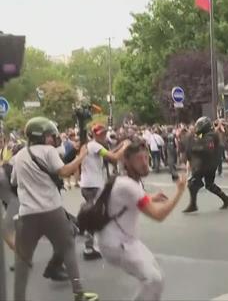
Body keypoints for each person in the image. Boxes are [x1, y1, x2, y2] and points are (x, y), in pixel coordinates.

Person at [12, 117, 98, 301]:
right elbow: (65, 171)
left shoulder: (19, 156)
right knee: (67, 248)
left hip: (27, 213)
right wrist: (82, 155)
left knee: (22, 260)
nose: (53, 138)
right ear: (41, 136)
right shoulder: (49, 151)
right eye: (50, 135)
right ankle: (79, 292)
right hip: (52, 210)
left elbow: (13, 182)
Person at [97, 141, 187, 301]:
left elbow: (132, 200)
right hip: (116, 245)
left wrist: (151, 197)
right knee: (154, 280)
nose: (145, 163)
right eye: (139, 159)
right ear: (126, 161)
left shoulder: (130, 182)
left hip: (128, 241)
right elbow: (158, 215)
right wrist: (179, 191)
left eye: (146, 158)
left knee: (156, 276)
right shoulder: (128, 186)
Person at [80, 123, 131, 261]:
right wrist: (125, 146)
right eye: (100, 134)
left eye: (103, 133)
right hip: (94, 186)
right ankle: (104, 245)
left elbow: (110, 152)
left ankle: (91, 246)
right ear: (94, 135)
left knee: (96, 214)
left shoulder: (91, 146)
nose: (103, 136)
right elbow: (113, 158)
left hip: (88, 185)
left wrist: (120, 146)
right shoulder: (94, 146)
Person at [183, 117, 228, 213]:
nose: (198, 128)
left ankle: (193, 205)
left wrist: (194, 148)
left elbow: (208, 149)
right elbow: (196, 136)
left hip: (206, 165)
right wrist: (191, 135)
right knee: (210, 185)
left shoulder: (210, 135)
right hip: (209, 164)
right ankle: (226, 200)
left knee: (192, 183)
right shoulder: (205, 134)